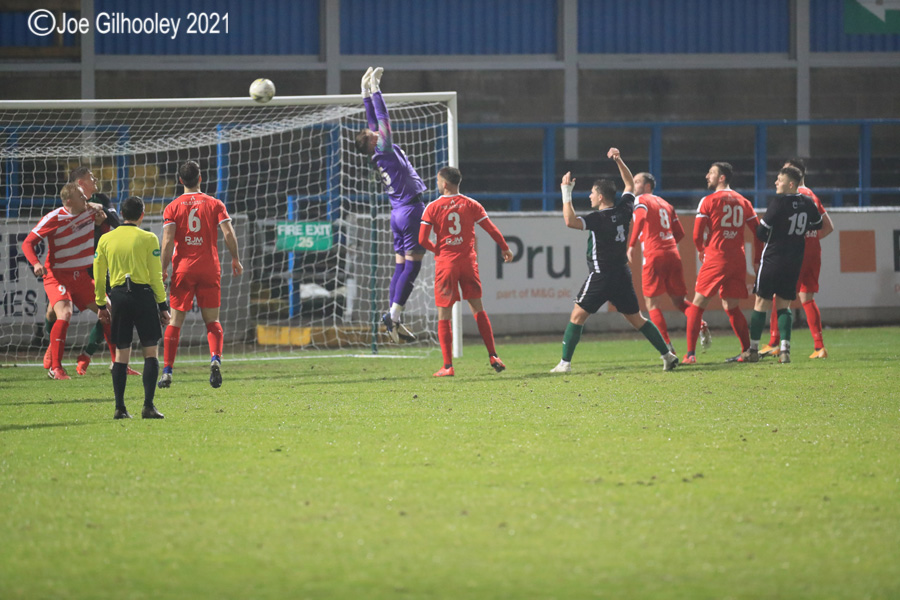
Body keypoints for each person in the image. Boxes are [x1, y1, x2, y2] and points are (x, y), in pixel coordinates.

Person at [550, 148, 679, 374]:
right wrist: (619, 160)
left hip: (601, 275)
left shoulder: (599, 218)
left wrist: (566, 191)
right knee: (637, 319)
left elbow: (570, 221)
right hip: (621, 274)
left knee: (577, 316)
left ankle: (565, 364)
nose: (589, 196)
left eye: (591, 193)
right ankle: (668, 355)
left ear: (600, 197)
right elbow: (629, 185)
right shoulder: (624, 209)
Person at [418, 167, 514, 377]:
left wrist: (439, 251)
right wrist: (505, 247)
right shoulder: (471, 204)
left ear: (444, 184)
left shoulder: (433, 207)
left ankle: (447, 366)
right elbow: (491, 229)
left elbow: (422, 239)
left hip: (446, 264)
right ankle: (493, 355)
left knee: (444, 314)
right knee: (478, 308)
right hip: (468, 263)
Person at [38, 167, 134, 376]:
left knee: (109, 309)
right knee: (53, 312)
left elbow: (116, 225)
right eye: (91, 177)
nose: (96, 179)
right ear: (80, 183)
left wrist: (102, 222)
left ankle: (111, 361)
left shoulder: (102, 201)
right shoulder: (68, 207)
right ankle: (52, 347)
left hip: (96, 265)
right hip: (67, 268)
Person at [356, 66, 427, 344]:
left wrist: (364, 94)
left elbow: (373, 120)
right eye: (371, 133)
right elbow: (383, 117)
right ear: (373, 142)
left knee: (400, 266)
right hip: (410, 211)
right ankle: (394, 315)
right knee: (414, 266)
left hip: (396, 212)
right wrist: (376, 90)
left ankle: (393, 319)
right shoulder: (382, 147)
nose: (374, 131)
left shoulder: (376, 152)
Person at [158, 160, 243, 389]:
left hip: (183, 269)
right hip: (209, 267)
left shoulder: (172, 207)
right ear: (200, 178)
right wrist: (235, 258)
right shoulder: (214, 203)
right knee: (213, 321)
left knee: (175, 322)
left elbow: (167, 242)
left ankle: (167, 372)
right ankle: (215, 358)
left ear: (180, 180)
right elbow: (228, 232)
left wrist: (163, 269)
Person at [22, 181, 109, 380]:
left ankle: (118, 363)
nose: (86, 198)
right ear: (69, 200)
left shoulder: (88, 211)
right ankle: (56, 367)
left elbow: (101, 210)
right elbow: (28, 243)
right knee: (65, 313)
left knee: (108, 312)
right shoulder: (54, 218)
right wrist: (36, 264)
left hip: (82, 276)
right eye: (81, 196)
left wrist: (99, 213)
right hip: (57, 275)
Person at [94, 196, 171, 419]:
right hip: (143, 296)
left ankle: (120, 408)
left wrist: (101, 304)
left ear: (121, 213)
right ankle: (148, 406)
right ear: (142, 215)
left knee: (121, 355)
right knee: (150, 352)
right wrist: (163, 305)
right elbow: (156, 276)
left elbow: (99, 276)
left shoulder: (106, 239)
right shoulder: (148, 238)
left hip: (118, 298)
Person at [744, 166, 824, 364]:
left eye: (779, 180)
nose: (775, 183)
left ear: (790, 184)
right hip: (794, 260)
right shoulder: (807, 201)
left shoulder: (779, 202)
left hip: (773, 258)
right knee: (784, 305)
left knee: (761, 302)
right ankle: (785, 350)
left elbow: (761, 232)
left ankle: (753, 349)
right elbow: (818, 223)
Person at [683, 162, 761, 364]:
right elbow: (759, 232)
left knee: (697, 306)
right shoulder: (744, 201)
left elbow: (696, 234)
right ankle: (747, 351)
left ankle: (690, 355)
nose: (707, 176)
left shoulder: (708, 201)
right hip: (738, 260)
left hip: (717, 257)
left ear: (722, 178)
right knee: (732, 307)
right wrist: (757, 259)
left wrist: (702, 249)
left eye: (711, 173)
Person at [626, 171, 710, 355]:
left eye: (637, 181)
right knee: (680, 302)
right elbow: (679, 233)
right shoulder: (666, 204)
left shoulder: (640, 200)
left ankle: (667, 347)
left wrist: (631, 245)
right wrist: (666, 244)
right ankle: (700, 323)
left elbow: (639, 219)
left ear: (648, 186)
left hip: (653, 254)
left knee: (652, 304)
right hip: (672, 253)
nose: (634, 184)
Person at [760, 158, 834, 360]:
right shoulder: (812, 196)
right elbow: (828, 227)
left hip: (795, 252)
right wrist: (810, 237)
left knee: (780, 295)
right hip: (813, 253)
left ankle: (775, 343)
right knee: (807, 299)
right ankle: (819, 347)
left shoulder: (792, 196)